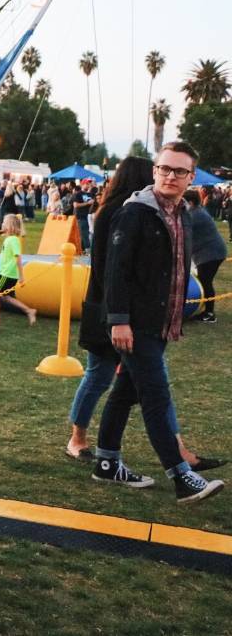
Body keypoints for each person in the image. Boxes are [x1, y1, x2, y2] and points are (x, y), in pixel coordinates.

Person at [66, 158, 222, 469]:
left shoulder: (134, 212)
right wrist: (119, 314)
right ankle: (79, 439)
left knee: (145, 383)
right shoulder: (122, 213)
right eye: (159, 171)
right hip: (110, 310)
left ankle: (169, 451)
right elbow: (116, 270)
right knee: (102, 377)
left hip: (129, 314)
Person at [0, 214, 37, 327]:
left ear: (10, 226)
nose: (2, 224)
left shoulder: (13, 240)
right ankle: (29, 311)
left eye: (4, 222)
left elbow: (18, 258)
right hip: (6, 274)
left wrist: (22, 276)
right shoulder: (10, 239)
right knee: (6, 297)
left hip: (7, 274)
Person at [184, 190, 227, 323]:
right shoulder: (196, 211)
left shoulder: (194, 215)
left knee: (205, 281)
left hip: (211, 254)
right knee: (204, 280)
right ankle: (206, 310)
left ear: (190, 202)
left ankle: (209, 314)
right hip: (211, 252)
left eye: (182, 201)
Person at [71, 179, 95, 253]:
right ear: (82, 184)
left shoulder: (91, 194)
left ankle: (82, 249)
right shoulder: (78, 194)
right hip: (81, 216)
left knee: (88, 233)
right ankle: (88, 249)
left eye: (89, 184)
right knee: (84, 233)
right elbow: (75, 205)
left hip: (90, 216)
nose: (88, 185)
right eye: (86, 184)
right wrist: (87, 203)